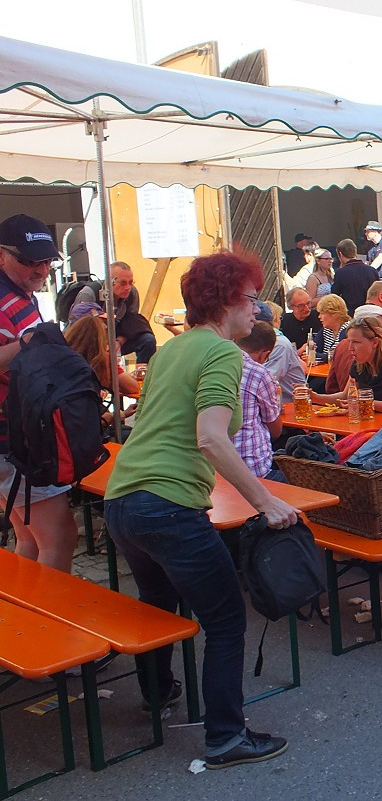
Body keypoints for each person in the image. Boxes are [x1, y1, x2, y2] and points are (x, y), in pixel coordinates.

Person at [104, 250, 294, 767]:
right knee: (228, 620)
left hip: (123, 499)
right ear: (227, 299)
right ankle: (226, 737)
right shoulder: (224, 353)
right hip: (167, 504)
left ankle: (158, 691)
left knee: (158, 600)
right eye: (252, 299)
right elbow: (210, 437)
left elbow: (154, 421)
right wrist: (265, 501)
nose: (257, 310)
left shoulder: (172, 349)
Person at [0, 215, 81, 573]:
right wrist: (30, 343)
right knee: (60, 536)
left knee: (31, 538)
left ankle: (27, 621)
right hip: (13, 439)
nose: (41, 268)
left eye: (46, 260)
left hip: (15, 437)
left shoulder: (19, 294)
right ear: (2, 255)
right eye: (29, 261)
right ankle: (53, 624)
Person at [314, 317, 382, 417]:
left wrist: (365, 403)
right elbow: (345, 397)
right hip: (376, 422)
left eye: (356, 342)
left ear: (375, 342)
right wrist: (316, 398)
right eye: (349, 342)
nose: (350, 348)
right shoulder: (358, 365)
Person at [73, 261, 158, 363]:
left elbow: (131, 325)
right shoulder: (89, 294)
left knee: (148, 340)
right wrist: (103, 344)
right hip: (91, 340)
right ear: (110, 281)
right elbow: (79, 330)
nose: (127, 288)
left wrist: (119, 342)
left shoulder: (132, 293)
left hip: (116, 337)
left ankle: (143, 374)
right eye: (122, 283)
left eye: (130, 282)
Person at [232, 321, 283, 480]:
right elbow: (276, 429)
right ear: (264, 354)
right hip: (253, 469)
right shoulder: (258, 373)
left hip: (213, 469)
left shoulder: (212, 363)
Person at [331, 238, 379, 317]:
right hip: (371, 314)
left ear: (340, 254)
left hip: (352, 315)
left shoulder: (340, 273)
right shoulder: (372, 270)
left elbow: (334, 296)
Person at [314, 294, 349, 363]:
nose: (319, 317)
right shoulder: (326, 330)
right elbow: (314, 349)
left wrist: (316, 355)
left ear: (334, 314)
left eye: (322, 313)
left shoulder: (347, 331)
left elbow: (336, 356)